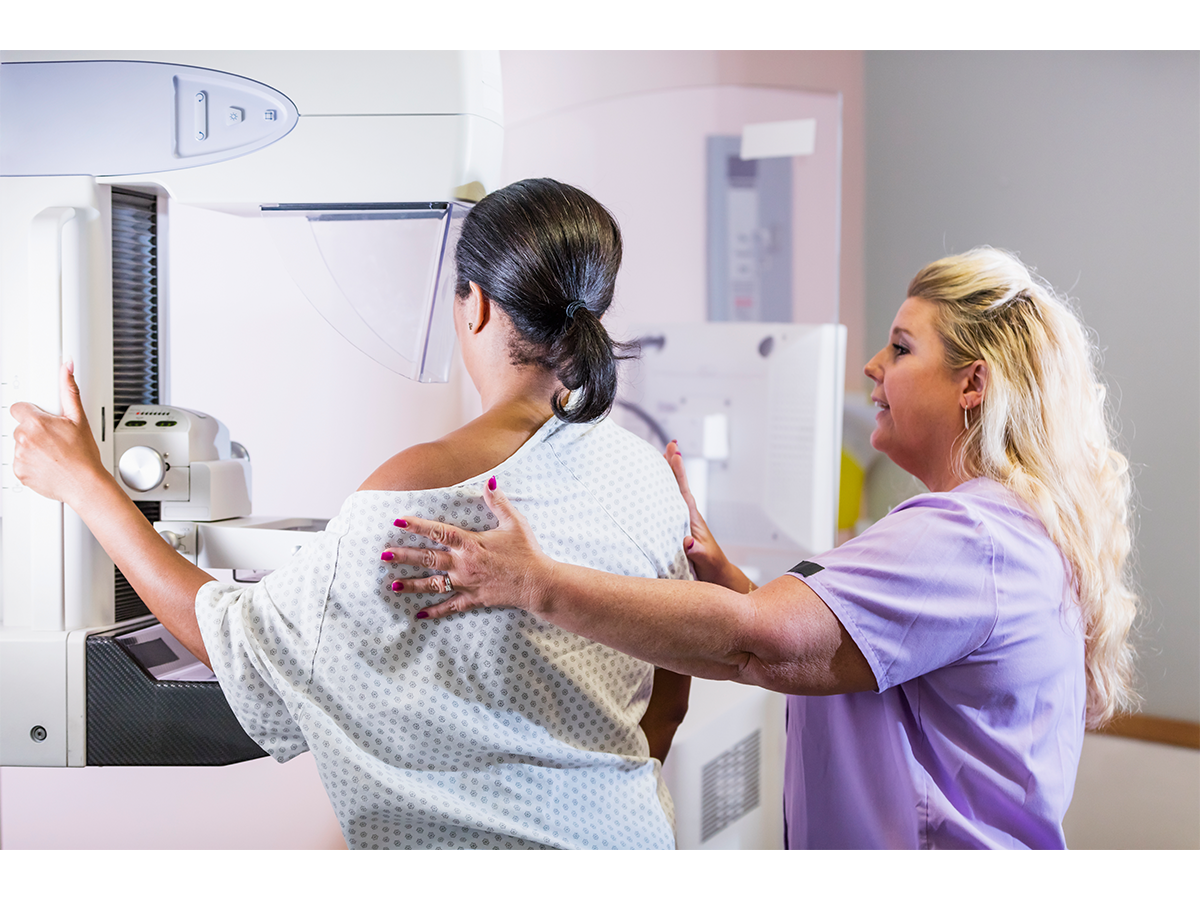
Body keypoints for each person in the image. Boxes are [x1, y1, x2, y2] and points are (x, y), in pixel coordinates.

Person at [11, 178, 695, 849]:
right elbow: (670, 697)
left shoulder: (418, 487)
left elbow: (231, 639)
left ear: (476, 306)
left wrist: (86, 485)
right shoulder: (646, 477)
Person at [385, 246, 1140, 849]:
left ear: (972, 384)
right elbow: (836, 654)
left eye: (901, 348)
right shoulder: (1006, 530)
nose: (874, 367)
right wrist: (730, 581)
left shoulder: (966, 536)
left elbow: (764, 650)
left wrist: (529, 582)